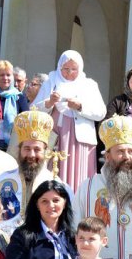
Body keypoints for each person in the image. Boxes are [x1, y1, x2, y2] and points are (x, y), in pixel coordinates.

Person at [75, 116, 132, 259]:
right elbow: (74, 226)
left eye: (131, 151)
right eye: (120, 152)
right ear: (107, 156)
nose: (127, 157)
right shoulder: (88, 186)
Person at [34, 50, 105, 191]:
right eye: (66, 69)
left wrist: (80, 106)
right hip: (56, 136)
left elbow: (101, 112)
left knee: (79, 175)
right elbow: (34, 109)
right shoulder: (51, 81)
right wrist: (49, 102)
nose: (69, 73)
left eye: (74, 69)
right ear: (60, 67)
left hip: (80, 140)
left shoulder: (89, 85)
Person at [0, 110, 59, 235]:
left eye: (37, 149)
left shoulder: (56, 183)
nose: (31, 155)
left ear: (46, 151)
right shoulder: (2, 180)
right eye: (27, 149)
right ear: (19, 150)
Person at [0, 59, 29, 152]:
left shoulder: (19, 96)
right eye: (1, 75)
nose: (5, 78)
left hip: (13, 144)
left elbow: (26, 119)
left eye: (8, 75)